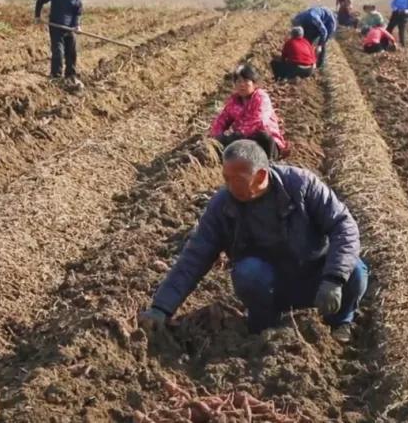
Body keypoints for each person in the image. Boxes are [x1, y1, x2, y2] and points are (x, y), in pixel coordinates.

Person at [139, 140, 369, 342]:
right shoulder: (223, 205)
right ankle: (265, 325)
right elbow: (196, 255)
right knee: (247, 272)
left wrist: (333, 279)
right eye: (225, 178)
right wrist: (162, 307)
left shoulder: (301, 186)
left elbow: (343, 226)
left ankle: (340, 322)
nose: (228, 185)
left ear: (260, 175)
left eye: (235, 179)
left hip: (315, 277)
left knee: (355, 270)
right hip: (269, 285)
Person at [209, 64, 287, 159]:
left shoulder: (261, 97)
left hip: (265, 142)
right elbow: (222, 118)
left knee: (263, 137)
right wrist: (217, 136)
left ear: (254, 83)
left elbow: (259, 121)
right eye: (238, 81)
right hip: (244, 140)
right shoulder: (234, 101)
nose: (242, 85)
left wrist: (238, 135)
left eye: (246, 81)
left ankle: (270, 163)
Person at [34, 0, 84, 86]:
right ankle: (55, 77)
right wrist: (37, 16)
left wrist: (77, 26)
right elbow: (40, 0)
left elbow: (77, 14)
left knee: (72, 52)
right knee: (58, 52)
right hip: (56, 28)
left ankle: (70, 76)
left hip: (70, 29)